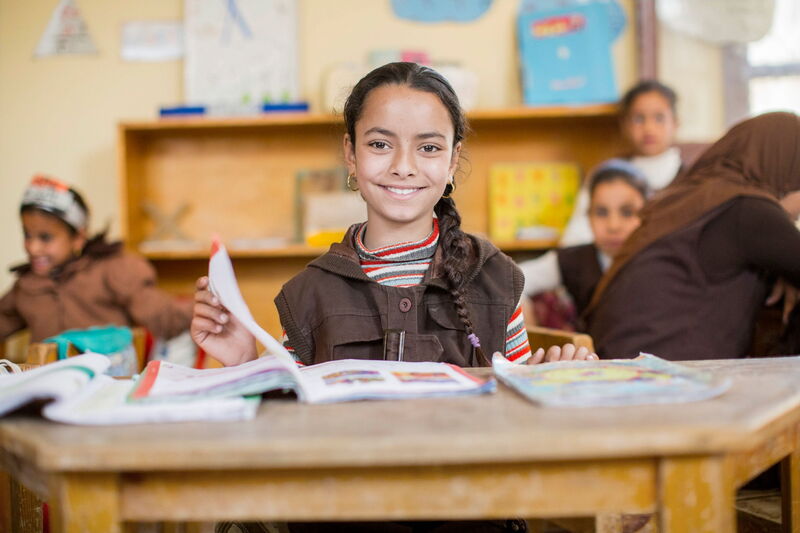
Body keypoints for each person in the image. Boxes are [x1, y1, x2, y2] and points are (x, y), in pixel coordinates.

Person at [192, 62, 597, 532]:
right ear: (350, 153)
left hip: (470, 516)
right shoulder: (308, 294)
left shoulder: (493, 278)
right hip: (343, 519)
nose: (403, 166)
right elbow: (282, 437)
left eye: (428, 147)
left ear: (452, 160)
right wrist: (243, 362)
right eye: (380, 144)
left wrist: (545, 385)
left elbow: (518, 420)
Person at [586, 112, 800, 360]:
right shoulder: (745, 207)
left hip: (617, 368)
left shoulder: (691, 198)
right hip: (668, 381)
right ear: (786, 172)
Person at [0, 175, 193, 343]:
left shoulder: (113, 270)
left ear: (78, 238)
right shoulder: (26, 286)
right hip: (47, 383)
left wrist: (203, 310)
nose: (33, 248)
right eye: (27, 235)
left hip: (110, 382)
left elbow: (164, 316)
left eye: (45, 237)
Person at [519, 159, 649, 326]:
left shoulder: (660, 261)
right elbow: (508, 281)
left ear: (647, 214)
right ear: (588, 216)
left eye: (627, 212)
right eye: (601, 212)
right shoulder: (573, 260)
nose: (613, 225)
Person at [561, 80, 680, 247]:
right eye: (639, 118)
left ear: (675, 123)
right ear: (624, 125)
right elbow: (575, 239)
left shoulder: (692, 178)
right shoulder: (605, 174)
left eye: (659, 118)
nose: (649, 128)